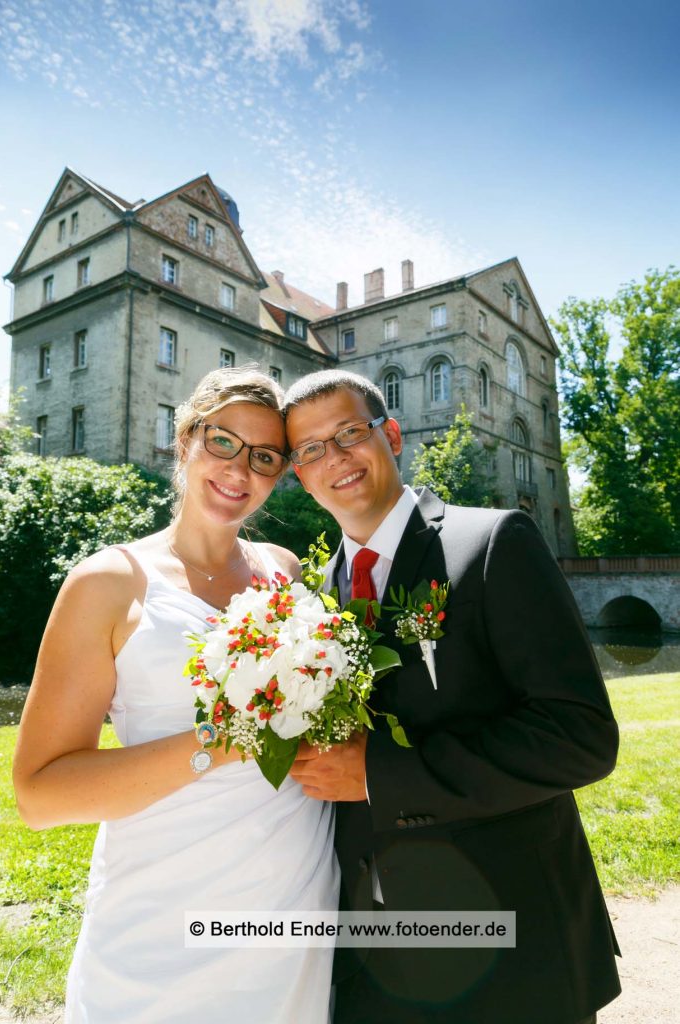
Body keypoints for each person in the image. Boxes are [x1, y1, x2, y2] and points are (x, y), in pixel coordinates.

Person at [285, 369, 621, 1024]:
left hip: (512, 952)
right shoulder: (311, 598)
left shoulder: (493, 543)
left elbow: (580, 738)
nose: (336, 458)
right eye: (311, 448)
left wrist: (379, 773)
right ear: (300, 474)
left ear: (392, 435)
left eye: (349, 433)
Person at [13, 366, 339, 1024]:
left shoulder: (286, 570)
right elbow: (40, 795)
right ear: (186, 439)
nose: (240, 469)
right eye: (223, 442)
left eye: (264, 456)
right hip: (162, 936)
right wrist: (224, 741)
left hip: (291, 926)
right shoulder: (111, 581)